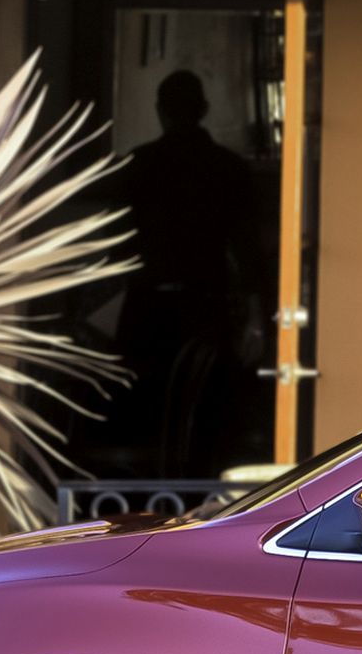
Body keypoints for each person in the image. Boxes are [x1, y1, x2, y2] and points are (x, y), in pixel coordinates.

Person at [114, 70, 266, 473]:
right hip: (205, 303)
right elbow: (246, 246)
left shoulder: (139, 165)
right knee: (206, 406)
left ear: (161, 112)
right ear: (204, 110)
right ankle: (198, 490)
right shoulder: (227, 167)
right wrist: (254, 315)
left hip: (147, 304)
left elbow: (115, 239)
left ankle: (145, 501)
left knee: (142, 407)